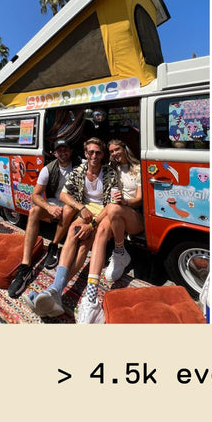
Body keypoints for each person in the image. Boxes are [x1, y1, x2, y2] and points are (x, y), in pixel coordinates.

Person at [31, 136, 119, 319]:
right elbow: (64, 195)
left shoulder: (109, 173)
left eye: (98, 153)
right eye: (91, 152)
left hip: (103, 214)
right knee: (73, 233)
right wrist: (80, 207)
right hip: (85, 211)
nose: (94, 156)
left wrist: (92, 225)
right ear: (85, 153)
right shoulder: (80, 170)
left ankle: (54, 290)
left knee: (84, 244)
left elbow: (111, 204)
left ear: (103, 155)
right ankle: (55, 291)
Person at [75, 138, 144, 324]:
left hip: (134, 215)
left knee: (113, 208)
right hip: (114, 214)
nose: (114, 153)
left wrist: (125, 202)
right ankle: (91, 298)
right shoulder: (112, 170)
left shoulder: (138, 168)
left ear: (125, 148)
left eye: (117, 149)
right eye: (111, 151)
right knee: (100, 233)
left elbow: (139, 199)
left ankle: (120, 251)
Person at [7, 138, 77, 299]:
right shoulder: (48, 169)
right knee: (33, 211)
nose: (63, 152)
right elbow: (35, 195)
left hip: (72, 204)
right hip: (54, 203)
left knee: (68, 209)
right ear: (54, 153)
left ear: (71, 151)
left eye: (66, 149)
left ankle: (54, 246)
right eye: (59, 150)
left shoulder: (79, 166)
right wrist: (49, 207)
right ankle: (26, 266)